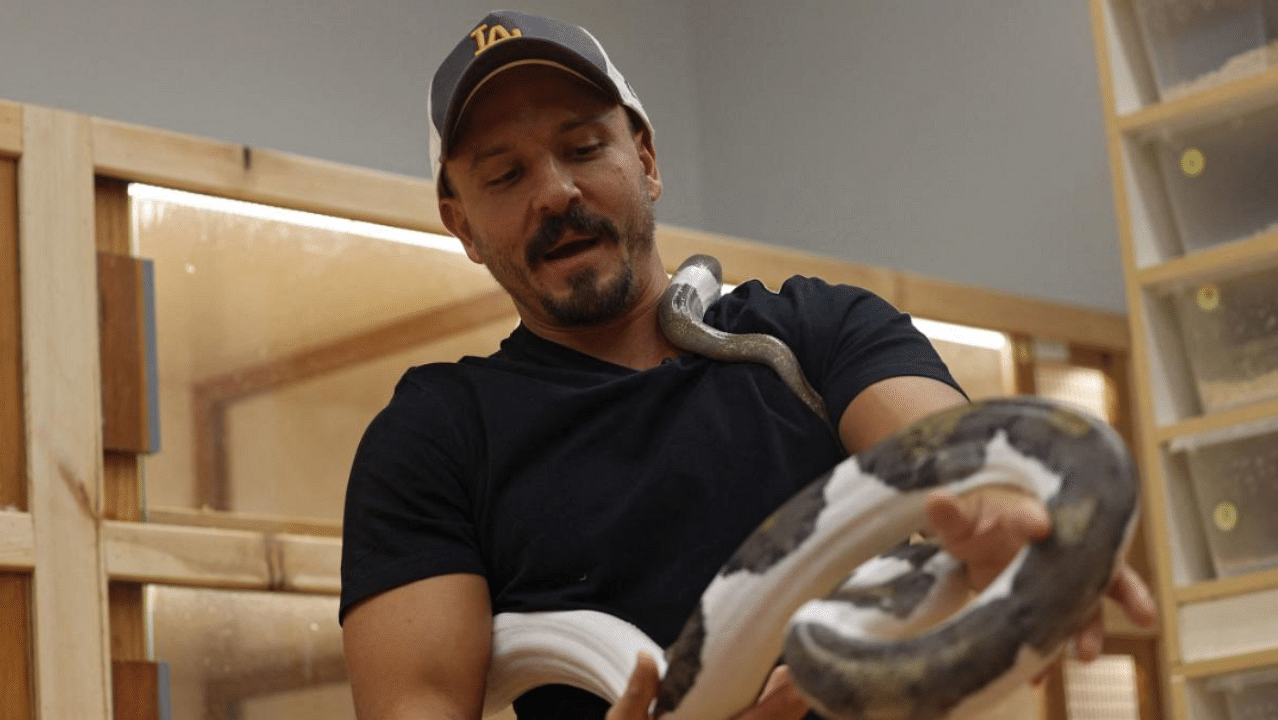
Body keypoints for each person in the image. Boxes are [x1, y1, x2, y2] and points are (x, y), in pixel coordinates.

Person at [339, 10, 1156, 720]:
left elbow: (955, 453)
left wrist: (1024, 512)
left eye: (584, 146)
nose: (554, 192)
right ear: (462, 224)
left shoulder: (815, 329)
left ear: (646, 159)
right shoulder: (435, 437)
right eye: (506, 175)